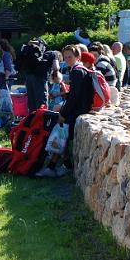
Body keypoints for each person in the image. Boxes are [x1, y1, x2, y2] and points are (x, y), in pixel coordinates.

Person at [43, 45, 93, 177]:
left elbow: (74, 97)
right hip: (81, 109)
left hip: (78, 111)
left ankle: (54, 166)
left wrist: (63, 114)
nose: (67, 59)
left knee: (61, 132)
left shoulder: (77, 71)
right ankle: (65, 164)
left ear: (78, 57)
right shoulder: (80, 69)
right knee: (62, 134)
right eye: (65, 57)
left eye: (70, 57)